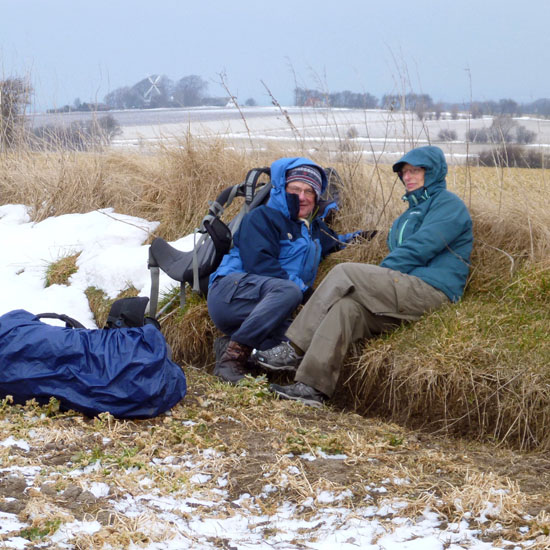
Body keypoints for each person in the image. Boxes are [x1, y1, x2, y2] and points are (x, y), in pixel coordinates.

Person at [254, 145, 474, 407]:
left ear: (434, 172)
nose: (408, 177)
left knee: (345, 272)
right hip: (406, 291)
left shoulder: (449, 205)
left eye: (415, 171)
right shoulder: (407, 215)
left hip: (432, 290)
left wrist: (380, 274)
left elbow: (421, 248)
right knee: (346, 309)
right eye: (404, 172)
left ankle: (294, 347)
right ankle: (312, 387)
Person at [208, 156, 363, 384]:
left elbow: (336, 241)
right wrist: (308, 296)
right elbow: (260, 265)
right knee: (289, 291)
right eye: (295, 189)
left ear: (316, 197)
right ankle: (230, 362)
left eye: (309, 191)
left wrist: (370, 238)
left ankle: (232, 347)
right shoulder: (261, 218)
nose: (302, 197)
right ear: (282, 189)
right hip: (231, 296)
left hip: (268, 309)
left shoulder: (313, 230)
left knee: (304, 340)